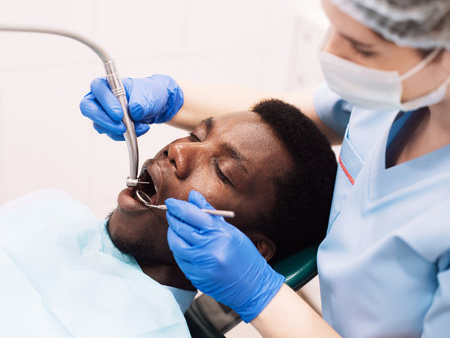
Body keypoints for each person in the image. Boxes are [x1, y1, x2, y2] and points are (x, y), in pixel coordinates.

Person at [80, 0, 450, 336]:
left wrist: (259, 292)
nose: (329, 51)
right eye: (194, 136)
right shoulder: (396, 93)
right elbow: (272, 124)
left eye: (361, 47)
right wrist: (169, 98)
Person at [0, 100, 336, 337]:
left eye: (221, 170)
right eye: (195, 136)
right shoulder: (50, 206)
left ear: (246, 246)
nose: (176, 150)